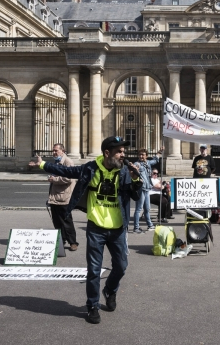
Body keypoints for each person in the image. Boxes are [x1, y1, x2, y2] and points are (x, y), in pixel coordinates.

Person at [28, 136, 141, 325]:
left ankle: (110, 290)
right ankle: (93, 306)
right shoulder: (91, 168)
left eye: (123, 151)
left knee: (121, 266)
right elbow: (66, 170)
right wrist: (42, 166)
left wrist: (136, 179)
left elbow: (136, 195)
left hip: (118, 229)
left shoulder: (125, 172)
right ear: (107, 153)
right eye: (119, 151)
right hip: (96, 228)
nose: (123, 155)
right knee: (94, 270)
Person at [46, 143, 78, 251]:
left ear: (62, 151)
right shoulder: (56, 162)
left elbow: (69, 178)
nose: (54, 152)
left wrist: (54, 179)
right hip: (55, 196)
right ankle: (61, 240)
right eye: (53, 151)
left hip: (64, 196)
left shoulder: (68, 162)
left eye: (56, 150)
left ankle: (73, 242)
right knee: (57, 221)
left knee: (67, 221)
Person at [133, 147, 163, 234]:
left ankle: (150, 225)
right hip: (141, 188)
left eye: (143, 155)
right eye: (139, 155)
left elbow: (155, 160)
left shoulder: (148, 163)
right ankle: (136, 227)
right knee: (138, 209)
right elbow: (134, 169)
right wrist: (135, 170)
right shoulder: (137, 164)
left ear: (146, 156)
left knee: (147, 209)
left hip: (147, 188)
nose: (141, 156)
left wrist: (159, 152)